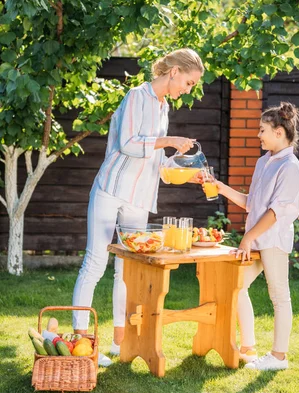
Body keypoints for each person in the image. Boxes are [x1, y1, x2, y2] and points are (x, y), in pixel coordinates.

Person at [72, 48, 204, 364]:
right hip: (111, 190)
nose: (187, 90)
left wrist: (180, 165)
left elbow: (155, 157)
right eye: (187, 82)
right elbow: (129, 143)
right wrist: (169, 140)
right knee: (95, 260)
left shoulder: (163, 108)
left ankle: (121, 341)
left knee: (128, 270)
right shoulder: (137, 96)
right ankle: (81, 341)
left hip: (139, 197)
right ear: (173, 72)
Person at [208, 102, 299, 371]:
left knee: (279, 297)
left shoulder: (290, 166)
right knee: (235, 287)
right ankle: (248, 348)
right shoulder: (264, 162)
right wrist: (221, 188)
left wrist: (248, 237)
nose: (258, 135)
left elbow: (277, 211)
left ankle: (278, 357)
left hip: (272, 241)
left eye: (262, 130)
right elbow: (254, 203)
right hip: (257, 238)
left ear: (279, 132)